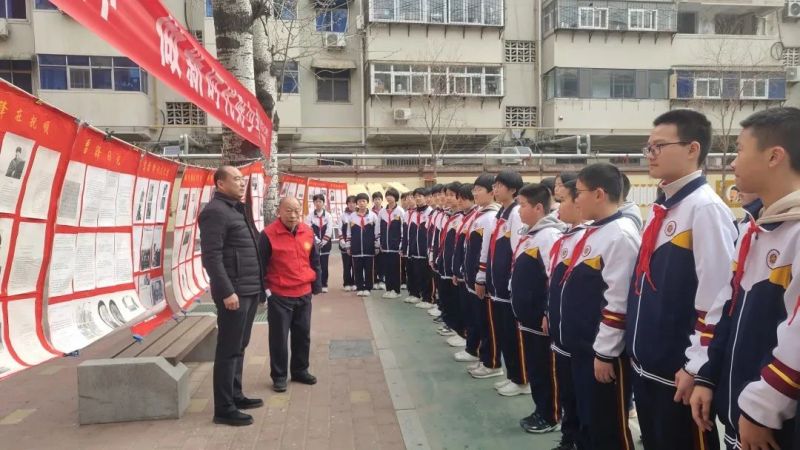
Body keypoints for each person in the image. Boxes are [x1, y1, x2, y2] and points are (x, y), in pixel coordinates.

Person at [690, 107, 800, 450]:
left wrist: (761, 410)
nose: (733, 162)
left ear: (774, 156)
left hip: (773, 424)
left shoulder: (795, 232)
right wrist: (708, 376)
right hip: (741, 409)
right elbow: (728, 310)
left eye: (739, 149)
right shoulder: (757, 230)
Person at [627, 109, 735, 450]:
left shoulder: (704, 209)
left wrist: (697, 366)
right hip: (648, 366)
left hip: (679, 372)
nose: (651, 154)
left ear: (692, 149)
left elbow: (718, 295)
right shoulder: (666, 208)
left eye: (659, 145)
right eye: (648, 147)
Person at [563, 163, 641, 449]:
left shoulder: (620, 235)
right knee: (588, 417)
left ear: (598, 194)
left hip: (603, 353)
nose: (575, 198)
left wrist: (605, 353)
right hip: (583, 347)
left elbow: (619, 301)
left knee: (606, 424)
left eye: (578, 192)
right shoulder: (595, 231)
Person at [199, 165, 265, 427]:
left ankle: (236, 395)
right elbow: (211, 257)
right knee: (228, 349)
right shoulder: (214, 212)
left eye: (243, 179)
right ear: (220, 184)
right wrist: (227, 291)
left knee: (240, 345)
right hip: (234, 292)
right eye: (236, 179)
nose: (241, 183)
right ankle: (224, 408)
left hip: (248, 289)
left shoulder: (237, 208)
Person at [512, 183, 568, 434]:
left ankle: (551, 414)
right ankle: (541, 408)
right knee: (536, 367)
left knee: (546, 368)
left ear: (538, 207)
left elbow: (553, 276)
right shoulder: (530, 234)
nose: (519, 210)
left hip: (538, 316)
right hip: (526, 314)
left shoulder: (548, 236)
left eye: (522, 205)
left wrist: (547, 311)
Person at [259, 197, 322, 393]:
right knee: (278, 338)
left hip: (304, 293)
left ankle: (300, 370)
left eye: (296, 211)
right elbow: (260, 267)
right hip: (279, 295)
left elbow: (315, 260)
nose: (293, 215)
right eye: (288, 211)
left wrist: (316, 285)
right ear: (279, 210)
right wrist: (264, 295)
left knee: (302, 335)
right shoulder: (268, 235)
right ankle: (279, 376)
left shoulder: (308, 232)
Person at [478, 170, 529, 396]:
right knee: (504, 334)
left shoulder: (516, 213)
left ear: (513, 190)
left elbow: (517, 250)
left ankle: (521, 380)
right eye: (495, 185)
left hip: (507, 288)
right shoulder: (502, 212)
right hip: (497, 286)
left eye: (500, 186)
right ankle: (512, 376)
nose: (495, 189)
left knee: (513, 335)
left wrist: (511, 282)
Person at [547, 179, 585, 450]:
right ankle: (569, 438)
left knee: (586, 401)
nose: (557, 208)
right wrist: (549, 312)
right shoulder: (566, 237)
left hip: (584, 342)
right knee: (568, 394)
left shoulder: (605, 236)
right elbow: (554, 283)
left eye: (562, 201)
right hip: (561, 333)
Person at [462, 174, 502, 377]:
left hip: (482, 281)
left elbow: (486, 251)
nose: (474, 193)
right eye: (474, 189)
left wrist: (481, 276)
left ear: (491, 192)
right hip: (472, 277)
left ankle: (492, 362)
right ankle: (482, 356)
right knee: (479, 321)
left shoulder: (490, 217)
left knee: (488, 324)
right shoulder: (480, 215)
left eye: (478, 189)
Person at [451, 183, 478, 358]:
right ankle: (469, 343)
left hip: (471, 274)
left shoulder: (478, 218)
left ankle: (473, 347)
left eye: (462, 198)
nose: (458, 201)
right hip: (463, 271)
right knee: (466, 310)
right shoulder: (465, 217)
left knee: (473, 314)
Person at [437, 182, 465, 343]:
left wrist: (457, 267)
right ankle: (451, 325)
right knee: (448, 297)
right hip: (446, 263)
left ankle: (460, 331)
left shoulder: (461, 218)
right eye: (446, 194)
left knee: (456, 300)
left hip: (455, 267)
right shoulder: (451, 216)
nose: (447, 198)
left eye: (451, 195)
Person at [347, 193, 380, 296]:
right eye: (359, 201)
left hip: (369, 248)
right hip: (356, 248)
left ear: (367, 202)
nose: (361, 203)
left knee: (369, 269)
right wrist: (348, 246)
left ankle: (368, 288)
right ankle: (360, 287)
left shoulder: (373, 216)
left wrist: (376, 245)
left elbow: (377, 232)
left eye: (364, 201)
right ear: (357, 203)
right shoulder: (352, 216)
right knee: (357, 269)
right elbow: (348, 232)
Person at [405, 188, 432, 305]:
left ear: (426, 197)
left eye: (420, 196)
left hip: (424, 250)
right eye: (416, 196)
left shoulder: (430, 213)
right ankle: (415, 294)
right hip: (413, 249)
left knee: (426, 276)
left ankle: (427, 298)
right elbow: (408, 232)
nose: (418, 198)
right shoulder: (413, 213)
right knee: (414, 273)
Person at [379, 188, 405, 299]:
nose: (389, 197)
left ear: (395, 197)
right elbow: (378, 229)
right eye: (387, 195)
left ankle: (396, 290)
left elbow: (403, 228)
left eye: (391, 195)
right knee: (387, 269)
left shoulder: (400, 211)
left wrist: (401, 244)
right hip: (385, 246)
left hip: (396, 247)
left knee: (396, 270)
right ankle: (389, 289)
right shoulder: (382, 212)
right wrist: (379, 242)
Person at [306, 194, 333, 293]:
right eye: (316, 201)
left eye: (320, 201)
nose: (318, 203)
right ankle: (316, 285)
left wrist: (324, 241)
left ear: (323, 203)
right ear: (313, 203)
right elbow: (308, 229)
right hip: (314, 245)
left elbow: (329, 229)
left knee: (324, 265)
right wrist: (316, 240)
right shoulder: (309, 216)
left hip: (326, 245)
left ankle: (324, 284)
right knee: (315, 264)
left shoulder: (328, 216)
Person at [339, 195, 357, 292]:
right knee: (347, 265)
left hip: (356, 245)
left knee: (355, 264)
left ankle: (355, 282)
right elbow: (340, 230)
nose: (351, 204)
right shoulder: (343, 216)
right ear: (347, 204)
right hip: (344, 245)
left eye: (353, 202)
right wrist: (343, 242)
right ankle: (346, 283)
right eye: (349, 202)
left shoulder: (359, 214)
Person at [400, 192, 414, 290]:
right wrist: (403, 246)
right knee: (409, 270)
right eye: (407, 198)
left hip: (415, 248)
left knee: (418, 273)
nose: (409, 200)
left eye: (411, 197)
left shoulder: (420, 213)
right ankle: (412, 293)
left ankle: (423, 295)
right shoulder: (406, 214)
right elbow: (404, 232)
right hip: (407, 247)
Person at [372, 191, 385, 290]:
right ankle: (375, 280)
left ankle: (382, 280)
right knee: (374, 261)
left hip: (383, 240)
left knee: (382, 261)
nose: (377, 201)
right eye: (375, 199)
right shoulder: (370, 213)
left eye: (379, 199)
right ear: (372, 201)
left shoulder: (385, 211)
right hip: (372, 240)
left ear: (382, 200)